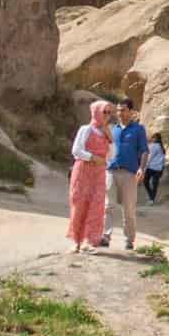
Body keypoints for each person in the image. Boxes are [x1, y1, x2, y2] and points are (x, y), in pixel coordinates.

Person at [67, 99, 111, 253]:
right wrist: (92, 157)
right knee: (79, 204)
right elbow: (76, 150)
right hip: (83, 172)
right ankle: (76, 241)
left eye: (108, 113)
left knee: (96, 205)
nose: (106, 115)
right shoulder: (86, 129)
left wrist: (110, 138)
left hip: (99, 174)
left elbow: (112, 155)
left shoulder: (106, 133)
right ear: (96, 112)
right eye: (104, 112)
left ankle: (88, 241)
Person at [105, 98, 149, 251]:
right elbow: (106, 149)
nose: (119, 113)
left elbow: (144, 150)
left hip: (130, 174)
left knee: (128, 209)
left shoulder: (138, 130)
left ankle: (128, 240)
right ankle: (105, 235)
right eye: (118, 110)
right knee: (107, 206)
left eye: (123, 110)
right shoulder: (112, 129)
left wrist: (141, 168)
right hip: (111, 171)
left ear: (131, 111)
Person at [144, 132, 166, 203]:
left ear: (155, 138)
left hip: (151, 167)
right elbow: (163, 159)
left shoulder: (153, 146)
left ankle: (151, 197)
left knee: (146, 181)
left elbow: (150, 157)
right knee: (155, 184)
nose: (151, 138)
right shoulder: (161, 147)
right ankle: (152, 198)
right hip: (158, 168)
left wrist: (145, 166)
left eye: (153, 137)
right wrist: (162, 168)